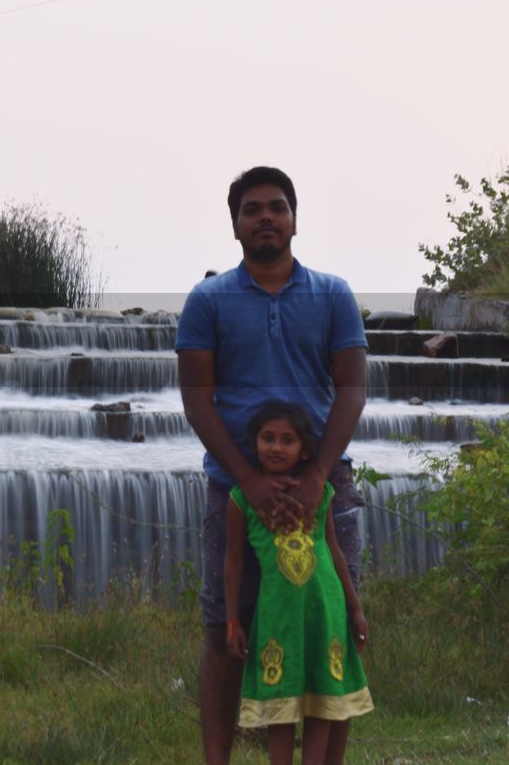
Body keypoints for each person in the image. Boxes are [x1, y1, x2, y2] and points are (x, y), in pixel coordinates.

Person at [175, 166, 369, 764]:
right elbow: (197, 400)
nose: (266, 217)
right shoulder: (208, 302)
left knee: (329, 626)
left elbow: (352, 391)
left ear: (294, 219)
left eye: (277, 207)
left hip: (324, 485)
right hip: (233, 491)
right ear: (235, 224)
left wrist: (314, 480)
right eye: (253, 208)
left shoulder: (333, 295)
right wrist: (251, 482)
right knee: (222, 630)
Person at [226, 401, 372, 765]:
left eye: (287, 440)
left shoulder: (320, 495)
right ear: (254, 443)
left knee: (321, 700)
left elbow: (335, 553)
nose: (276, 447)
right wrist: (232, 620)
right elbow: (234, 562)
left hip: (325, 611)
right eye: (268, 438)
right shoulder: (242, 500)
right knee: (281, 706)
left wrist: (354, 609)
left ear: (304, 449)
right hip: (277, 617)